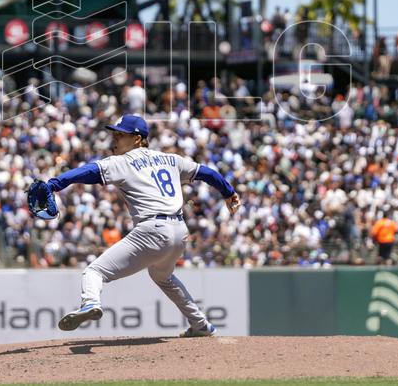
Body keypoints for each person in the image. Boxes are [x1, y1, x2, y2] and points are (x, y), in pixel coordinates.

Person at [30, 113, 241, 337]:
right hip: (179, 232)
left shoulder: (123, 161)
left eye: (120, 135)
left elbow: (88, 171)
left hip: (152, 230)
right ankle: (201, 325)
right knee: (162, 277)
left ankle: (90, 302)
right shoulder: (171, 159)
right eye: (114, 135)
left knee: (94, 271)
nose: (114, 139)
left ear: (138, 139)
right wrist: (228, 192)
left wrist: (54, 184)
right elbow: (207, 173)